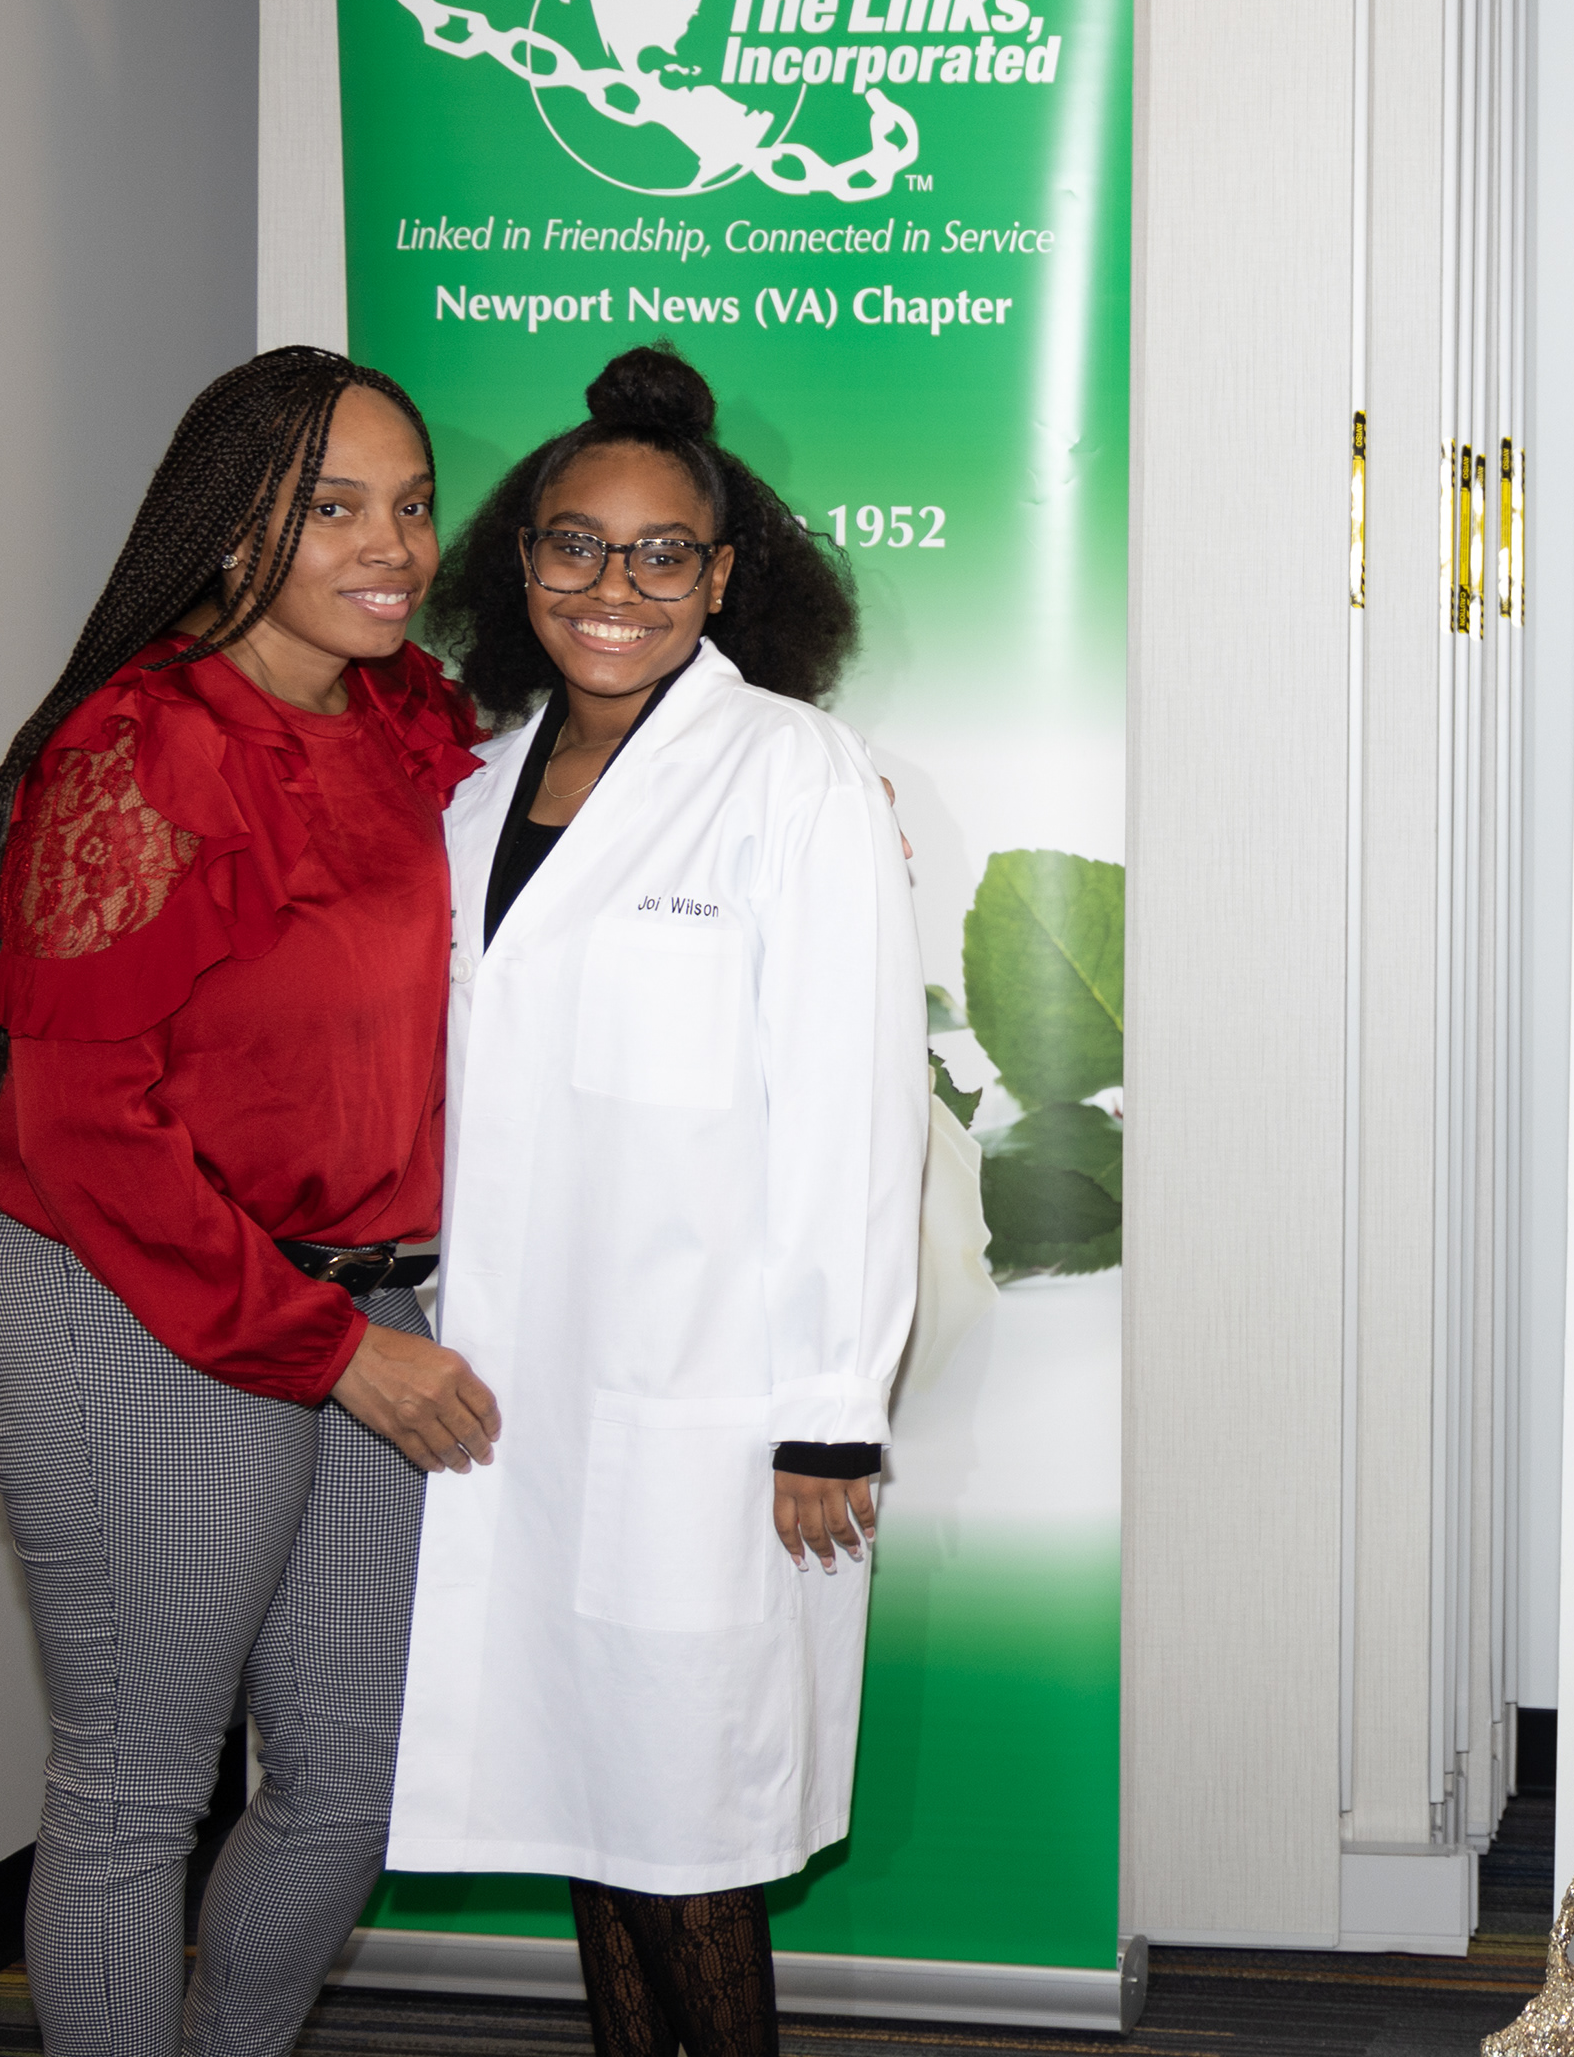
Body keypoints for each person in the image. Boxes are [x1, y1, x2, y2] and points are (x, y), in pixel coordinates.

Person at [0, 348, 500, 2057]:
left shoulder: (403, 717)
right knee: (137, 1788)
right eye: (333, 508)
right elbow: (83, 1129)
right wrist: (333, 1348)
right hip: (136, 1298)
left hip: (352, 1300)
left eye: (411, 505)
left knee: (353, 1778)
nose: (391, 546)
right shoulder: (144, 744)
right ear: (229, 524)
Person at [387, 348, 921, 2057]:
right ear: (519, 558)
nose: (612, 586)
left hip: (708, 1402)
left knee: (688, 1831)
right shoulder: (476, 787)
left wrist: (830, 1407)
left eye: (661, 552)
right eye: (575, 544)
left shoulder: (792, 773)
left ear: (725, 574)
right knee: (590, 1811)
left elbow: (853, 1109)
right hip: (511, 1390)